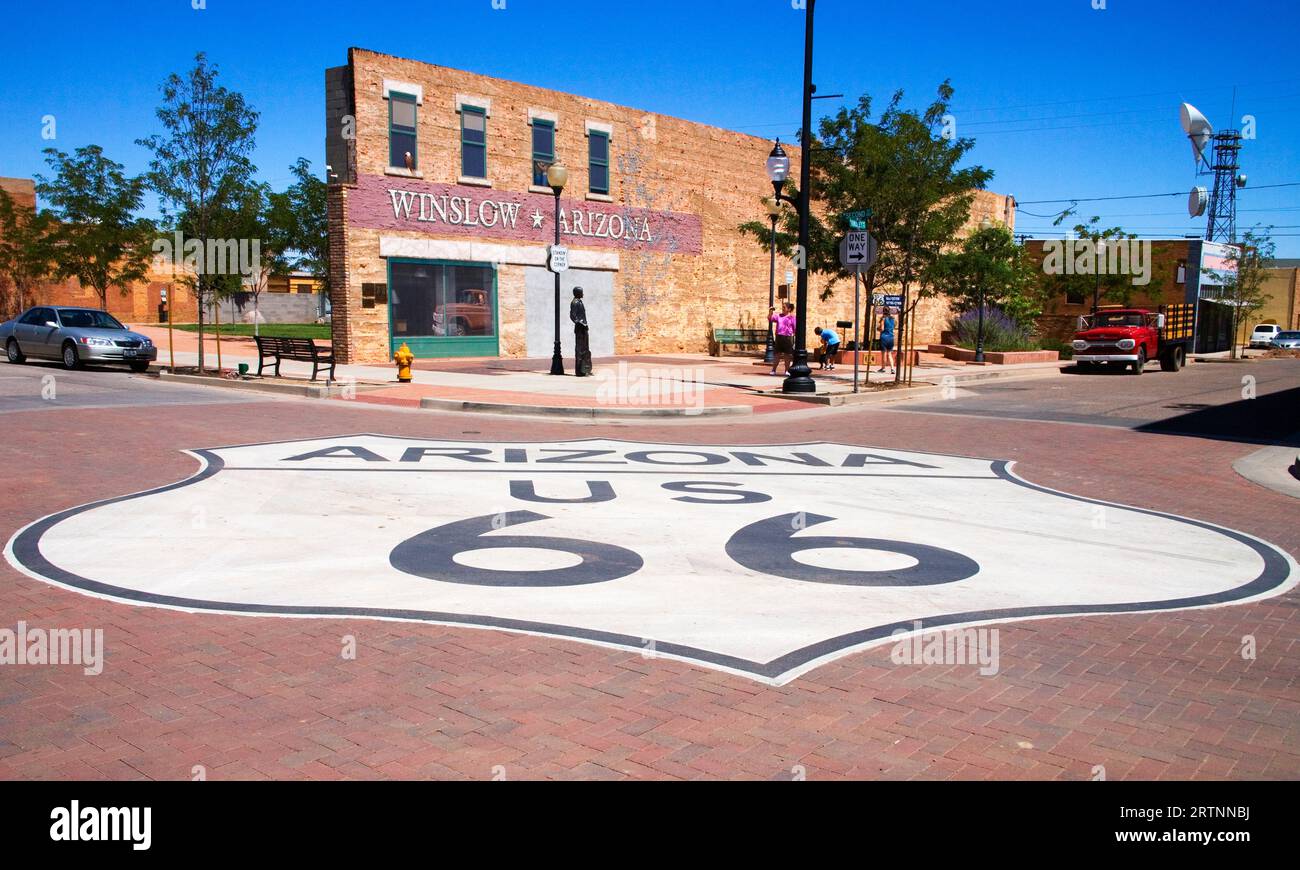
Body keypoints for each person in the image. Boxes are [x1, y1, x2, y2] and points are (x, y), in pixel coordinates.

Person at [768, 302, 795, 376]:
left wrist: (794, 338)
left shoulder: (792, 317)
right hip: (779, 337)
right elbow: (770, 318)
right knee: (777, 354)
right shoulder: (779, 316)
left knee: (787, 355)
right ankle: (773, 370)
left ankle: (787, 370)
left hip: (788, 337)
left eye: (784, 307)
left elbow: (795, 328)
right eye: (782, 307)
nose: (782, 309)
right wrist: (770, 311)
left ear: (789, 309)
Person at [570, 287, 592, 376]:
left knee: (585, 348)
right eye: (582, 292)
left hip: (584, 327)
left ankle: (585, 368)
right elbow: (572, 316)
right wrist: (580, 323)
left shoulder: (579, 301)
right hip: (580, 328)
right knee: (580, 349)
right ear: (578, 293)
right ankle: (579, 371)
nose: (583, 294)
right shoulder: (575, 302)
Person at [878, 307, 897, 374]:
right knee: (889, 354)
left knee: (884, 353)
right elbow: (894, 326)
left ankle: (883, 368)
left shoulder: (883, 319)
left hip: (884, 337)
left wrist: (878, 328)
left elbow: (882, 329)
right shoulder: (893, 319)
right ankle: (892, 368)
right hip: (891, 337)